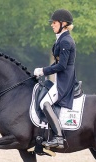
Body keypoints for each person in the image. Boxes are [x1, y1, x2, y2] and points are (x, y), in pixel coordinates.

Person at [34, 9, 77, 149]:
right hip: (61, 78)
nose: (52, 25)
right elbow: (57, 64)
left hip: (64, 81)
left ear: (63, 24)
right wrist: (43, 71)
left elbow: (62, 66)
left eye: (54, 23)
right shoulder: (62, 39)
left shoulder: (66, 41)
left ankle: (58, 137)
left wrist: (44, 70)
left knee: (44, 103)